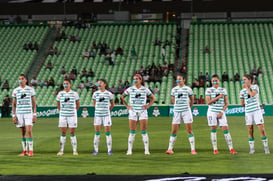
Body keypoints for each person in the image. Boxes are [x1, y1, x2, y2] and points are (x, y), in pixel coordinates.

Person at [120, 74, 155, 155]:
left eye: (136, 79)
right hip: (133, 112)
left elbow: (153, 98)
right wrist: (127, 106)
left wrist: (148, 106)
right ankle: (129, 150)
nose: (135, 80)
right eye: (134, 79)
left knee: (144, 131)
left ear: (140, 80)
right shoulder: (130, 89)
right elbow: (122, 97)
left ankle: (146, 150)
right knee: (132, 131)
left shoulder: (145, 89)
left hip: (142, 112)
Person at [205, 74, 237, 155]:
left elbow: (226, 103)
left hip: (221, 112)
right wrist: (218, 97)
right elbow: (208, 102)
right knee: (213, 129)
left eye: (216, 80)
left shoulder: (223, 90)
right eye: (213, 81)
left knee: (225, 129)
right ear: (211, 82)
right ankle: (215, 149)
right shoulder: (208, 90)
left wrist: (222, 112)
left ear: (219, 81)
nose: (214, 82)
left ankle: (231, 148)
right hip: (212, 112)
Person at [165, 74, 197, 155]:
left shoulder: (188, 89)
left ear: (184, 80)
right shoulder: (174, 89)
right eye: (177, 79)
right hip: (177, 112)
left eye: (180, 79)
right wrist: (176, 106)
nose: (178, 81)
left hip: (186, 111)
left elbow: (192, 100)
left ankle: (193, 149)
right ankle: (170, 149)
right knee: (174, 130)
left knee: (189, 130)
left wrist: (189, 107)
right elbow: (173, 99)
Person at [240, 75, 269, 154]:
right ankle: (252, 149)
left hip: (257, 111)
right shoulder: (242, 91)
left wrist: (246, 88)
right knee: (250, 130)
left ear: (249, 80)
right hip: (248, 112)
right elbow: (242, 103)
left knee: (261, 129)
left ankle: (266, 148)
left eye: (244, 79)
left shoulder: (255, 86)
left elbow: (252, 94)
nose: (243, 81)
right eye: (242, 80)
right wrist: (247, 105)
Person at [12, 74, 36, 156]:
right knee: (22, 133)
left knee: (29, 130)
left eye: (22, 79)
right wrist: (13, 115)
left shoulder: (30, 89)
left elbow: (34, 103)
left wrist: (35, 114)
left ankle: (31, 151)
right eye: (19, 79)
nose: (20, 80)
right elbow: (14, 104)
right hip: (19, 113)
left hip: (28, 113)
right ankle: (25, 151)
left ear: (26, 80)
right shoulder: (16, 90)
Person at [56, 79, 80, 156]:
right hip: (63, 115)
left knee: (72, 133)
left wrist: (73, 111)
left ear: (70, 85)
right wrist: (62, 111)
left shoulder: (74, 94)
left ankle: (75, 150)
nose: (65, 85)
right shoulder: (60, 94)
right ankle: (61, 150)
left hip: (72, 115)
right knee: (63, 133)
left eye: (67, 83)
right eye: (64, 84)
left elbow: (78, 104)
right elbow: (58, 104)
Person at [92, 79, 115, 156]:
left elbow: (112, 104)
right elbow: (94, 103)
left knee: (107, 133)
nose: (99, 84)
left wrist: (107, 111)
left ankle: (109, 150)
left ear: (105, 84)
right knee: (97, 133)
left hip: (106, 116)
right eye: (98, 83)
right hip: (98, 115)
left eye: (100, 83)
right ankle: (96, 150)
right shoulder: (95, 94)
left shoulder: (109, 94)